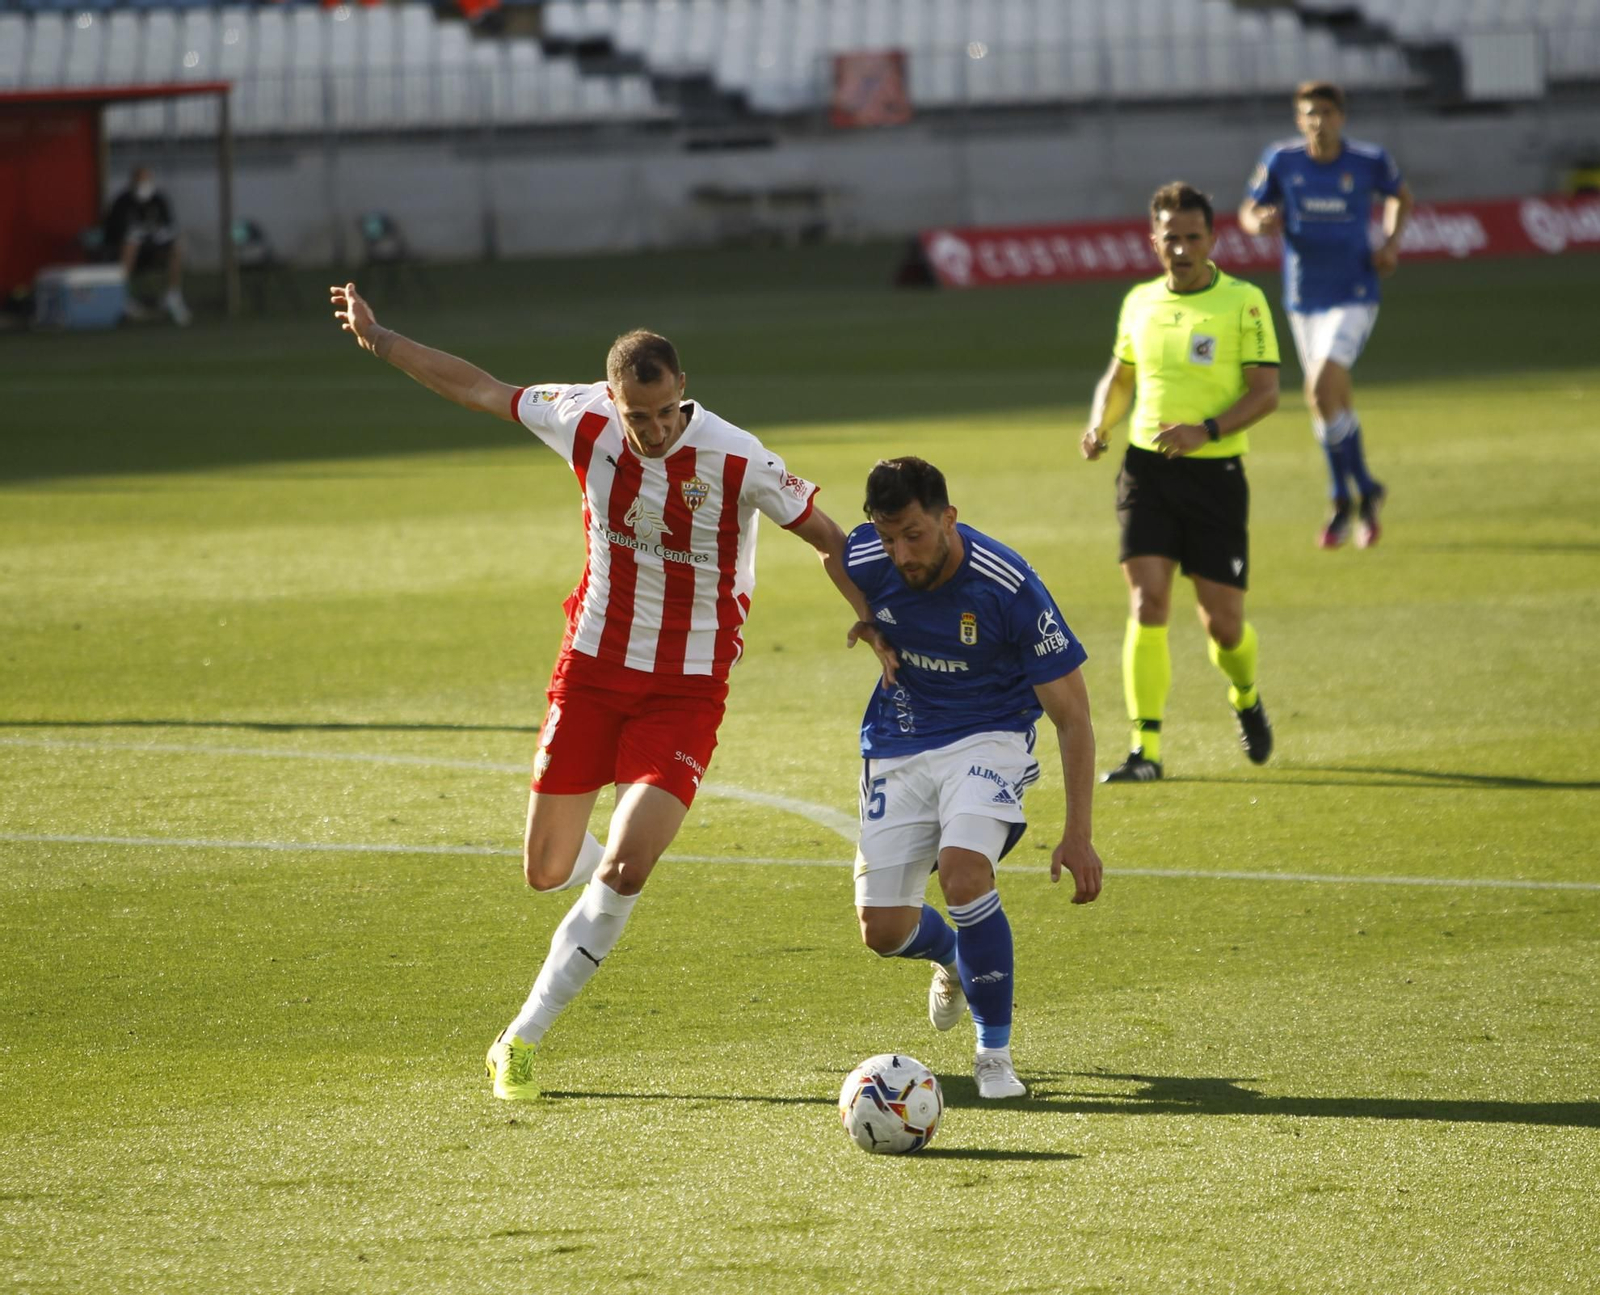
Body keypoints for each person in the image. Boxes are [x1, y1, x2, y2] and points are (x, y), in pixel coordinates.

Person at [328, 282, 851, 1101]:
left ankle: (520, 1039)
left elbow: (829, 538)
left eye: (666, 412)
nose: (652, 430)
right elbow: (480, 388)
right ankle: (604, 859)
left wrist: (884, 626)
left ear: (684, 394)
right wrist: (384, 338)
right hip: (593, 671)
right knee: (544, 869)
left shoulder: (738, 455)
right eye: (637, 415)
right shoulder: (581, 418)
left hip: (686, 687)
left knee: (628, 860)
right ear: (612, 399)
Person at [832, 456, 1102, 1100]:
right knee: (883, 930)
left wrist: (1079, 835)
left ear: (948, 518)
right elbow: (829, 553)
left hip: (990, 734)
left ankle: (994, 1053)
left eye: (914, 536)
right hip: (898, 737)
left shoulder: (1006, 587)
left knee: (962, 872)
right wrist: (870, 623)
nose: (899, 553)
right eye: (887, 536)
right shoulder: (870, 554)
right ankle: (956, 957)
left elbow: (1072, 715)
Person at [1082, 182, 1281, 783]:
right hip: (1146, 471)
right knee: (1148, 603)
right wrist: (1100, 424)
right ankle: (1147, 750)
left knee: (1223, 624)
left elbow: (1267, 392)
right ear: (1155, 241)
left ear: (1213, 240)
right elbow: (1120, 378)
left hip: (1215, 477)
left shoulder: (1243, 302)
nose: (1183, 248)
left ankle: (1244, 693)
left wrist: (1208, 429)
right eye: (1172, 237)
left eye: (1194, 237)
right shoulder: (1140, 302)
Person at [1239, 81, 1414, 550]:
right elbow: (1249, 211)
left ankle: (1340, 495)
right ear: (1300, 120)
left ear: (1342, 117)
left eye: (1327, 112)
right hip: (1303, 297)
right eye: (1310, 113)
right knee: (1328, 400)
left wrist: (1391, 244)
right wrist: (1261, 223)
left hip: (1354, 292)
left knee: (1318, 387)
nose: (1319, 121)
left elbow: (1400, 195)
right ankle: (1366, 491)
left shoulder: (1368, 160)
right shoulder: (1282, 159)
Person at [103, 166, 192, 326]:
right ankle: (122, 297)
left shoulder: (159, 199)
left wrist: (157, 233)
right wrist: (132, 234)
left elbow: (169, 225)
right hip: (127, 253)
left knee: (178, 245)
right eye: (140, 180)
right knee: (131, 244)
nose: (143, 184)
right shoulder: (122, 201)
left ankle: (173, 296)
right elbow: (112, 231)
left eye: (146, 179)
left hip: (154, 250)